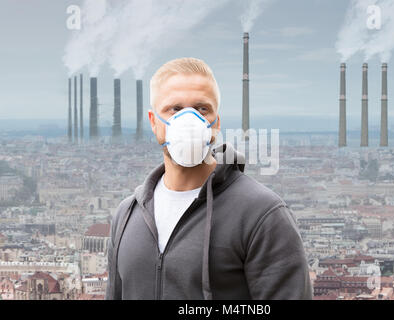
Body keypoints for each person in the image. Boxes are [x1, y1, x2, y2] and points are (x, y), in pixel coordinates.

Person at [105, 57, 312, 300]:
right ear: (153, 121)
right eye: (175, 109)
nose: (189, 120)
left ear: (216, 122)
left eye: (202, 109)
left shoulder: (262, 214)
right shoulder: (127, 215)